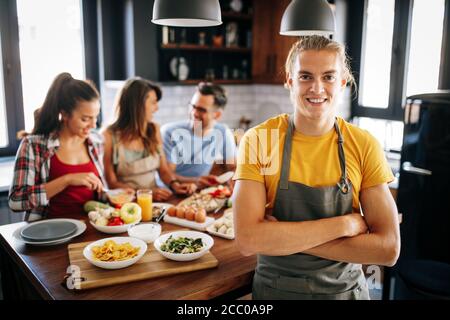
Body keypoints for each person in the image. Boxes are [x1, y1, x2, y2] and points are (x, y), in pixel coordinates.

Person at [233, 36, 401, 300]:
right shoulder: (259, 140)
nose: (317, 87)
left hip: (345, 293)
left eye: (329, 77)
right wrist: (343, 225)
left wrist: (284, 238)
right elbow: (247, 240)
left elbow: (388, 249)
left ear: (342, 82)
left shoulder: (364, 144)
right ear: (289, 81)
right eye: (305, 76)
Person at [9, 72, 106, 219]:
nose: (93, 125)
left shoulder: (96, 143)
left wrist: (115, 195)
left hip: (93, 229)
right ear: (65, 114)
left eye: (95, 117)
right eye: (85, 119)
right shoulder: (33, 145)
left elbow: (99, 192)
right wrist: (66, 180)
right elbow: (16, 201)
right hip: (50, 232)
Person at [103, 78, 197, 201]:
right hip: (127, 204)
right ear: (138, 105)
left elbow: (163, 170)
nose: (156, 108)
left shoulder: (154, 130)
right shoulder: (109, 136)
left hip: (156, 202)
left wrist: (175, 185)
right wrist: (144, 194)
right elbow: (112, 183)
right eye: (153, 102)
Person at [160, 82, 236, 189]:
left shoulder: (222, 132)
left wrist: (231, 178)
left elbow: (233, 167)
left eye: (201, 110)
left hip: (198, 193)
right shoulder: (170, 132)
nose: (194, 113)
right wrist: (196, 180)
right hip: (170, 193)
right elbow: (167, 175)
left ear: (217, 115)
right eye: (192, 106)